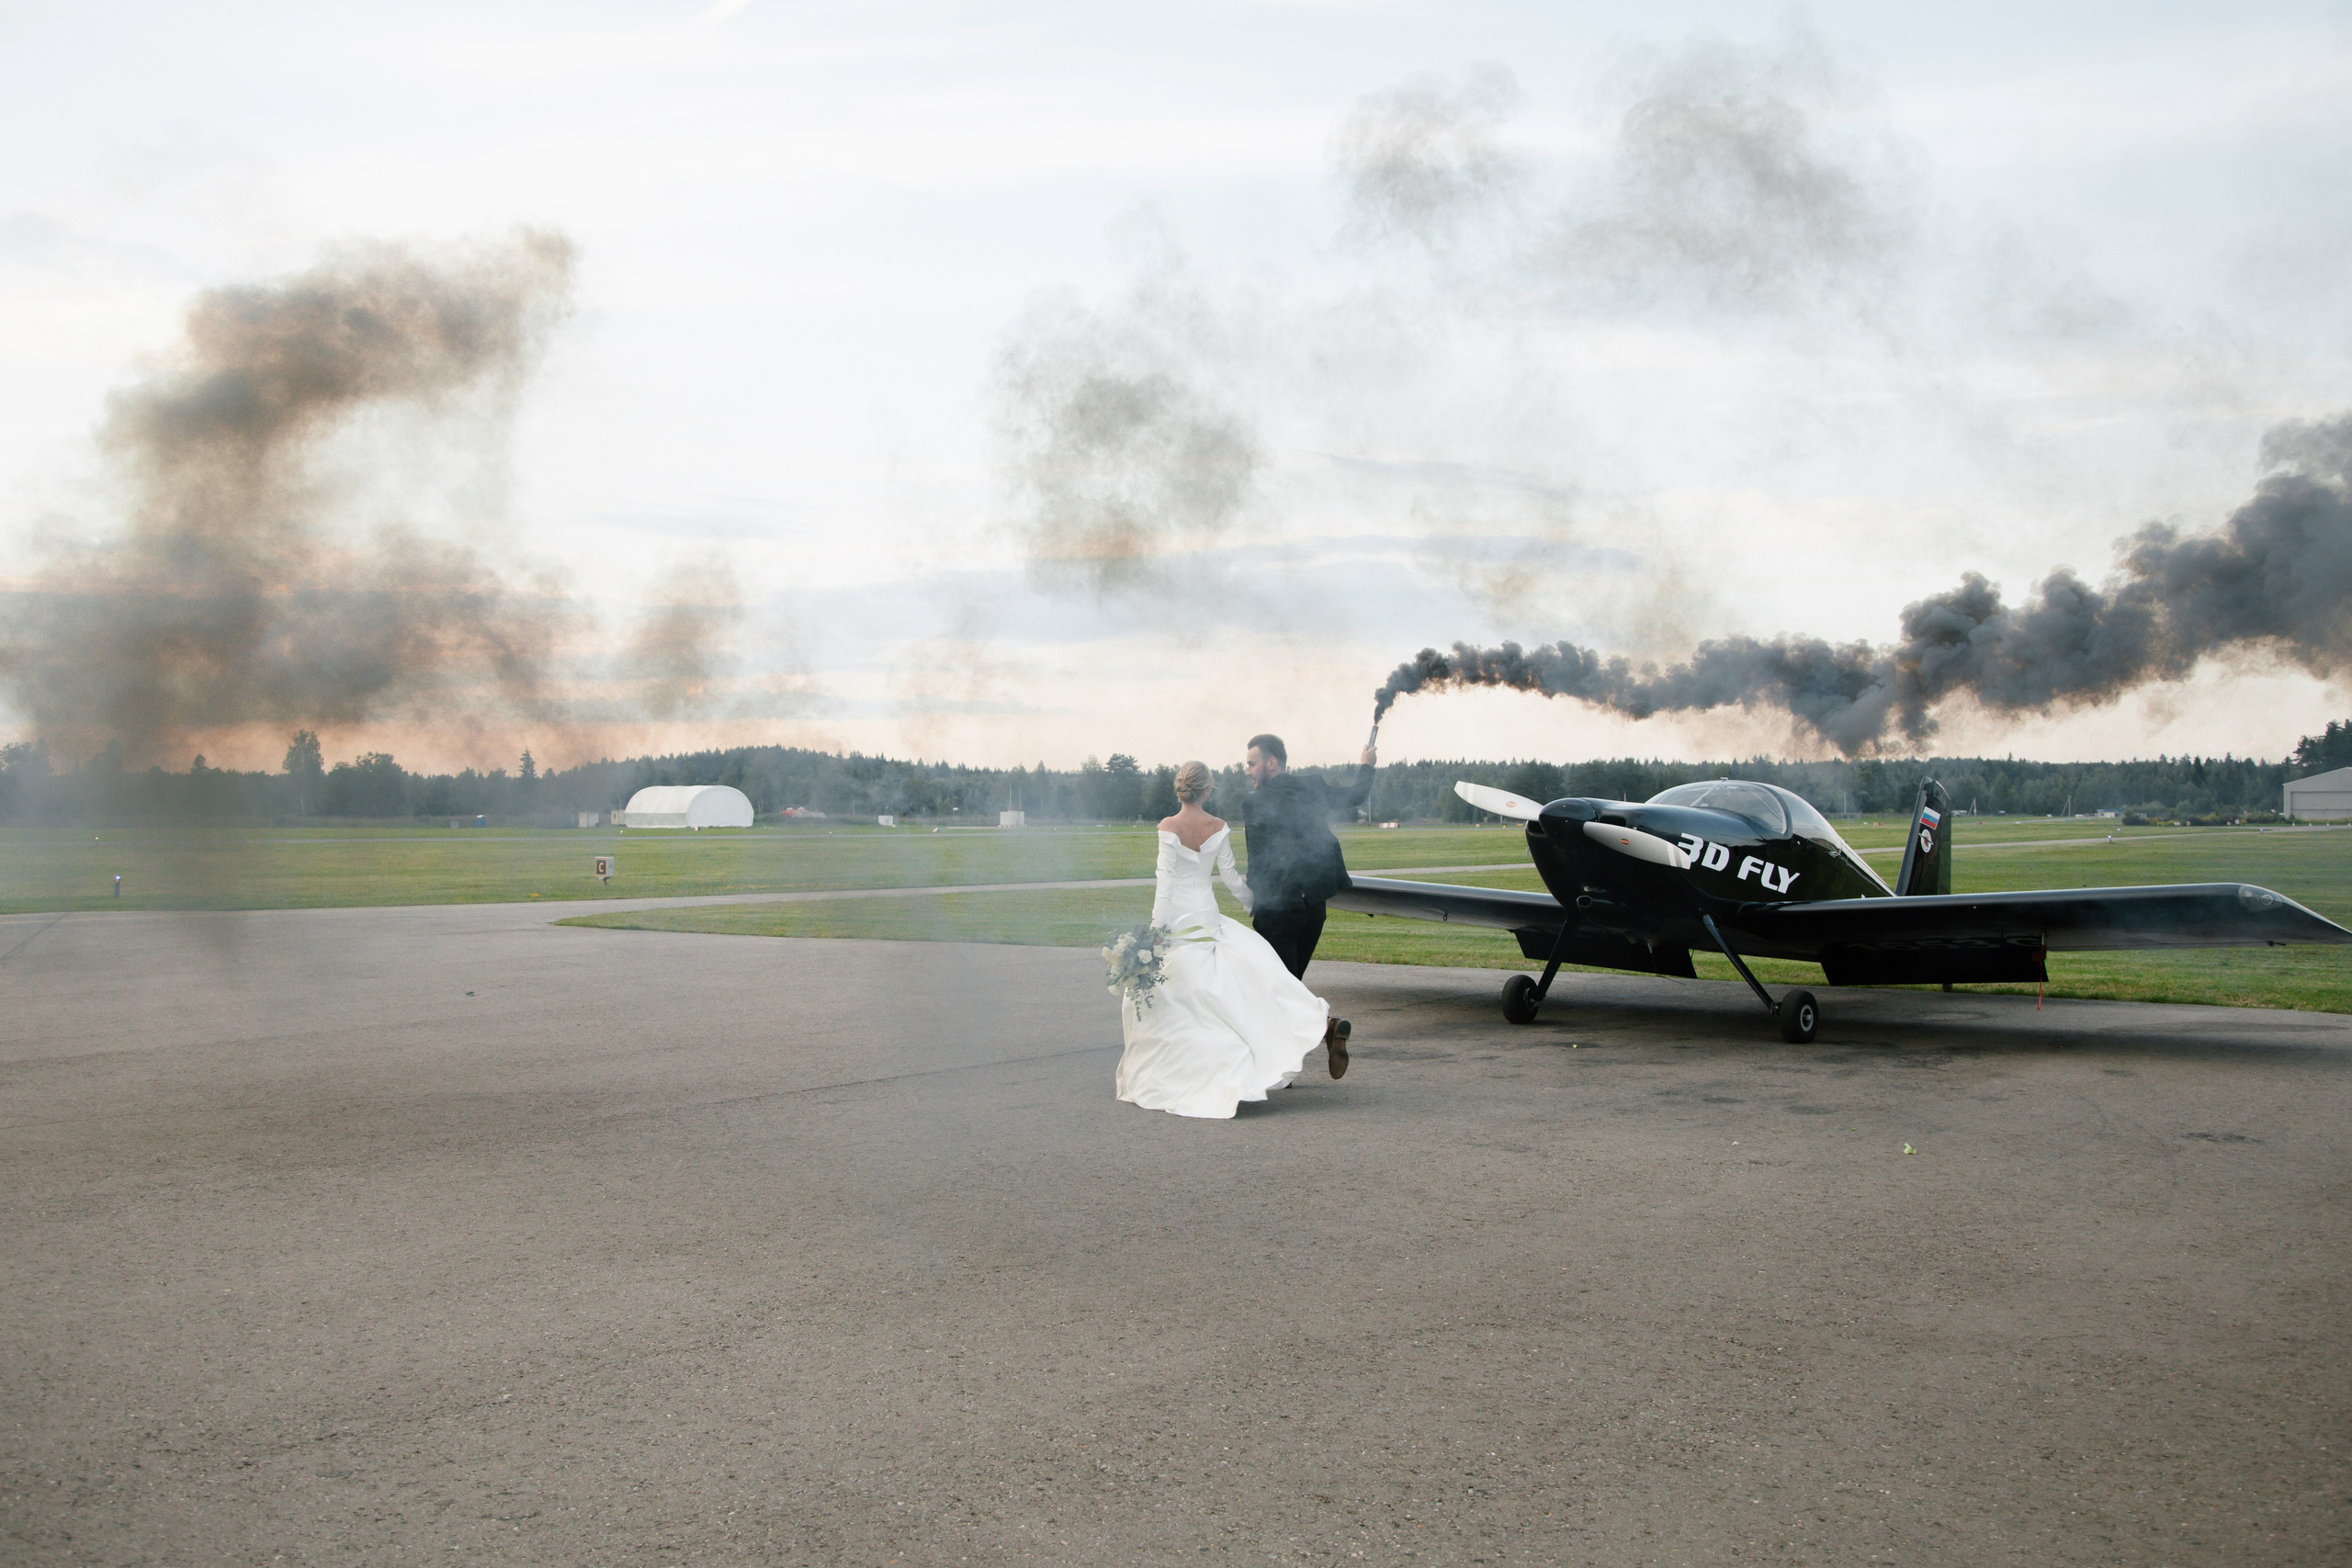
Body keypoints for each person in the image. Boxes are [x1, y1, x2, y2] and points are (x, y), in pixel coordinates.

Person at [1114, 761, 1347, 1119]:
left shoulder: (1168, 827)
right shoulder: (1219, 827)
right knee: (1252, 981)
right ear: (1207, 791)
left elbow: (1166, 884)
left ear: (1180, 790)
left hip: (1178, 917)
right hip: (1207, 916)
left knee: (1180, 992)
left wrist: (1155, 931)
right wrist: (1253, 904)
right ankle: (1320, 1023)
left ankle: (1199, 1065)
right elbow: (1232, 878)